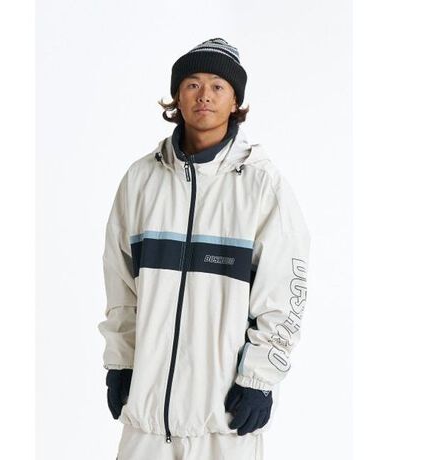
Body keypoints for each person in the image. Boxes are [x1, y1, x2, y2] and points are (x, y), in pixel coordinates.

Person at [97, 37, 311, 460]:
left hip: (223, 421)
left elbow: (284, 294)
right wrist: (121, 362)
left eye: (217, 86)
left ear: (236, 101)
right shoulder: (141, 181)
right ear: (176, 97)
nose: (204, 95)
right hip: (147, 419)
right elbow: (120, 285)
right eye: (192, 84)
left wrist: (259, 380)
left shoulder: (262, 186)